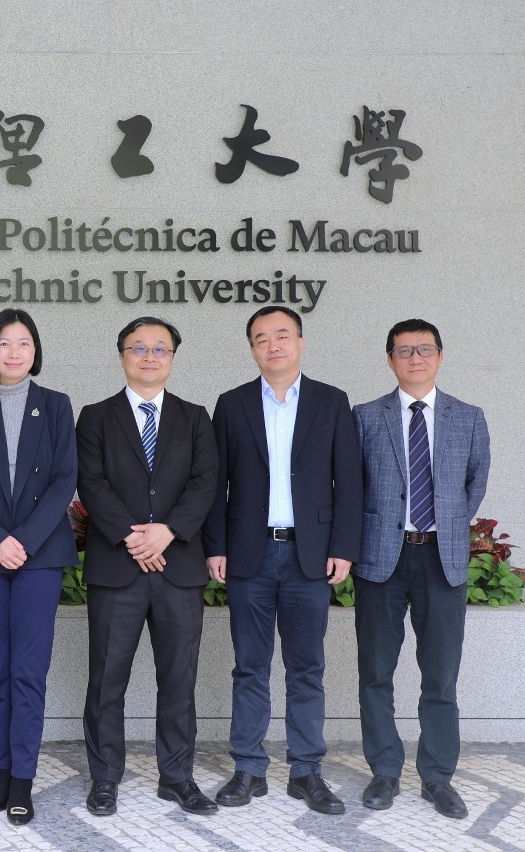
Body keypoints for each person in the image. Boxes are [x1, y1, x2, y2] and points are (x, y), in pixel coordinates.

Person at [203, 305, 362, 815]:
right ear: (252, 349)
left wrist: (343, 547)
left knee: (306, 668)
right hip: (248, 553)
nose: (272, 345)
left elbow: (349, 482)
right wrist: (215, 546)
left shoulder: (331, 401)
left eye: (282, 335)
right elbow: (215, 483)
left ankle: (306, 771)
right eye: (261, 338)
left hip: (308, 555)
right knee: (249, 667)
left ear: (300, 342)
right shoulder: (231, 404)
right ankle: (249, 768)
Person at [76, 317, 219, 817]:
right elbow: (91, 482)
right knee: (106, 679)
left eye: (160, 348)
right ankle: (105, 778)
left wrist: (168, 531)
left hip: (178, 567)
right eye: (139, 348)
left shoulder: (195, 417)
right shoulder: (95, 417)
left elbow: (205, 482)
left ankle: (177, 777)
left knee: (179, 678)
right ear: (122, 356)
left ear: (173, 358)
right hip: (117, 566)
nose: (150, 356)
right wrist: (136, 537)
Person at [352, 319, 490, 818]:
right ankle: (384, 771)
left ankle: (437, 777)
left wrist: (445, 524)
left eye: (424, 349)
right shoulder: (365, 416)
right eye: (404, 350)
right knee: (375, 672)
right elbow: (351, 484)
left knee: (441, 675)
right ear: (390, 359)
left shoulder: (468, 417)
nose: (415, 358)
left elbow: (475, 481)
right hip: (380, 559)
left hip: (441, 559)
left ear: (440, 356)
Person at [0, 309, 78, 826]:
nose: (14, 351)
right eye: (4, 342)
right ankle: (2, 772)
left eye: (24, 342)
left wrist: (20, 541)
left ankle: (23, 778)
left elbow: (64, 480)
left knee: (28, 670)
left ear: (35, 351)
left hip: (38, 556)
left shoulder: (56, 405)